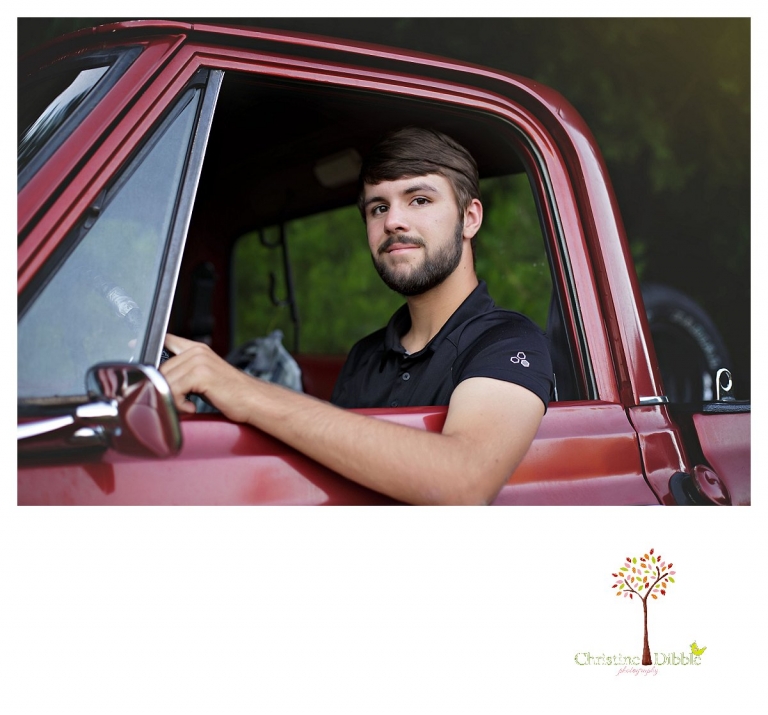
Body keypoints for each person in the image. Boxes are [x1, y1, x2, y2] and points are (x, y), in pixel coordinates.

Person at [162, 127, 553, 505]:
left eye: (419, 200)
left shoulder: (509, 342)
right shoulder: (364, 356)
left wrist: (244, 391)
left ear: (469, 218)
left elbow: (463, 482)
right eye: (378, 207)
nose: (393, 221)